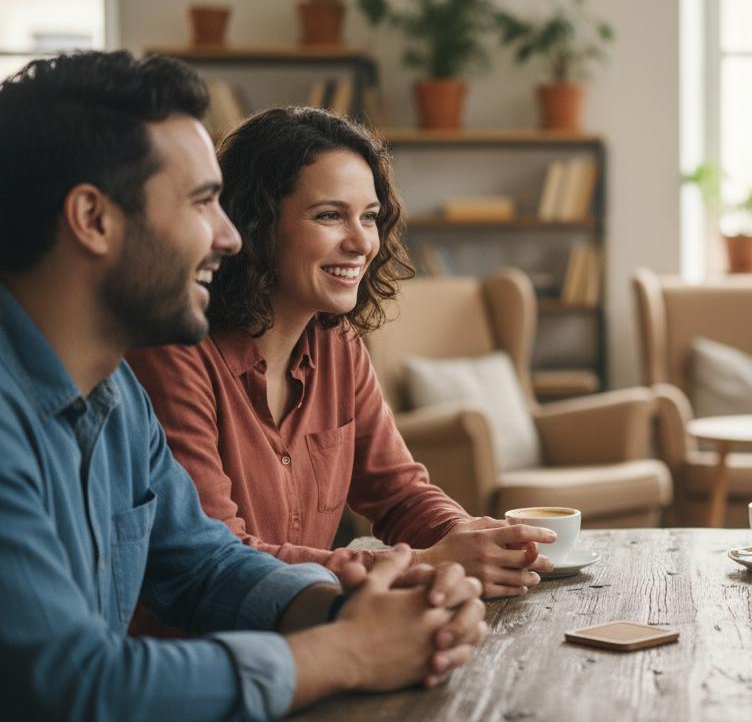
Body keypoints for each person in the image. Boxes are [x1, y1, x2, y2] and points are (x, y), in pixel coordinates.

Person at [0, 51, 489, 719]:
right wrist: (349, 651)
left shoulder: (115, 398)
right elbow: (74, 684)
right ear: (93, 219)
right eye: (204, 203)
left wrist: (356, 607)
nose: (231, 236)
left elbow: (205, 565)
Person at [126, 106, 555, 601]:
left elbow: (399, 495)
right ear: (255, 224)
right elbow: (221, 559)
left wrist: (472, 542)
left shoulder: (338, 347)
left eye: (369, 218)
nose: (360, 243)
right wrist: (424, 562)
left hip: (318, 634)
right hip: (206, 659)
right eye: (329, 215)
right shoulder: (175, 354)